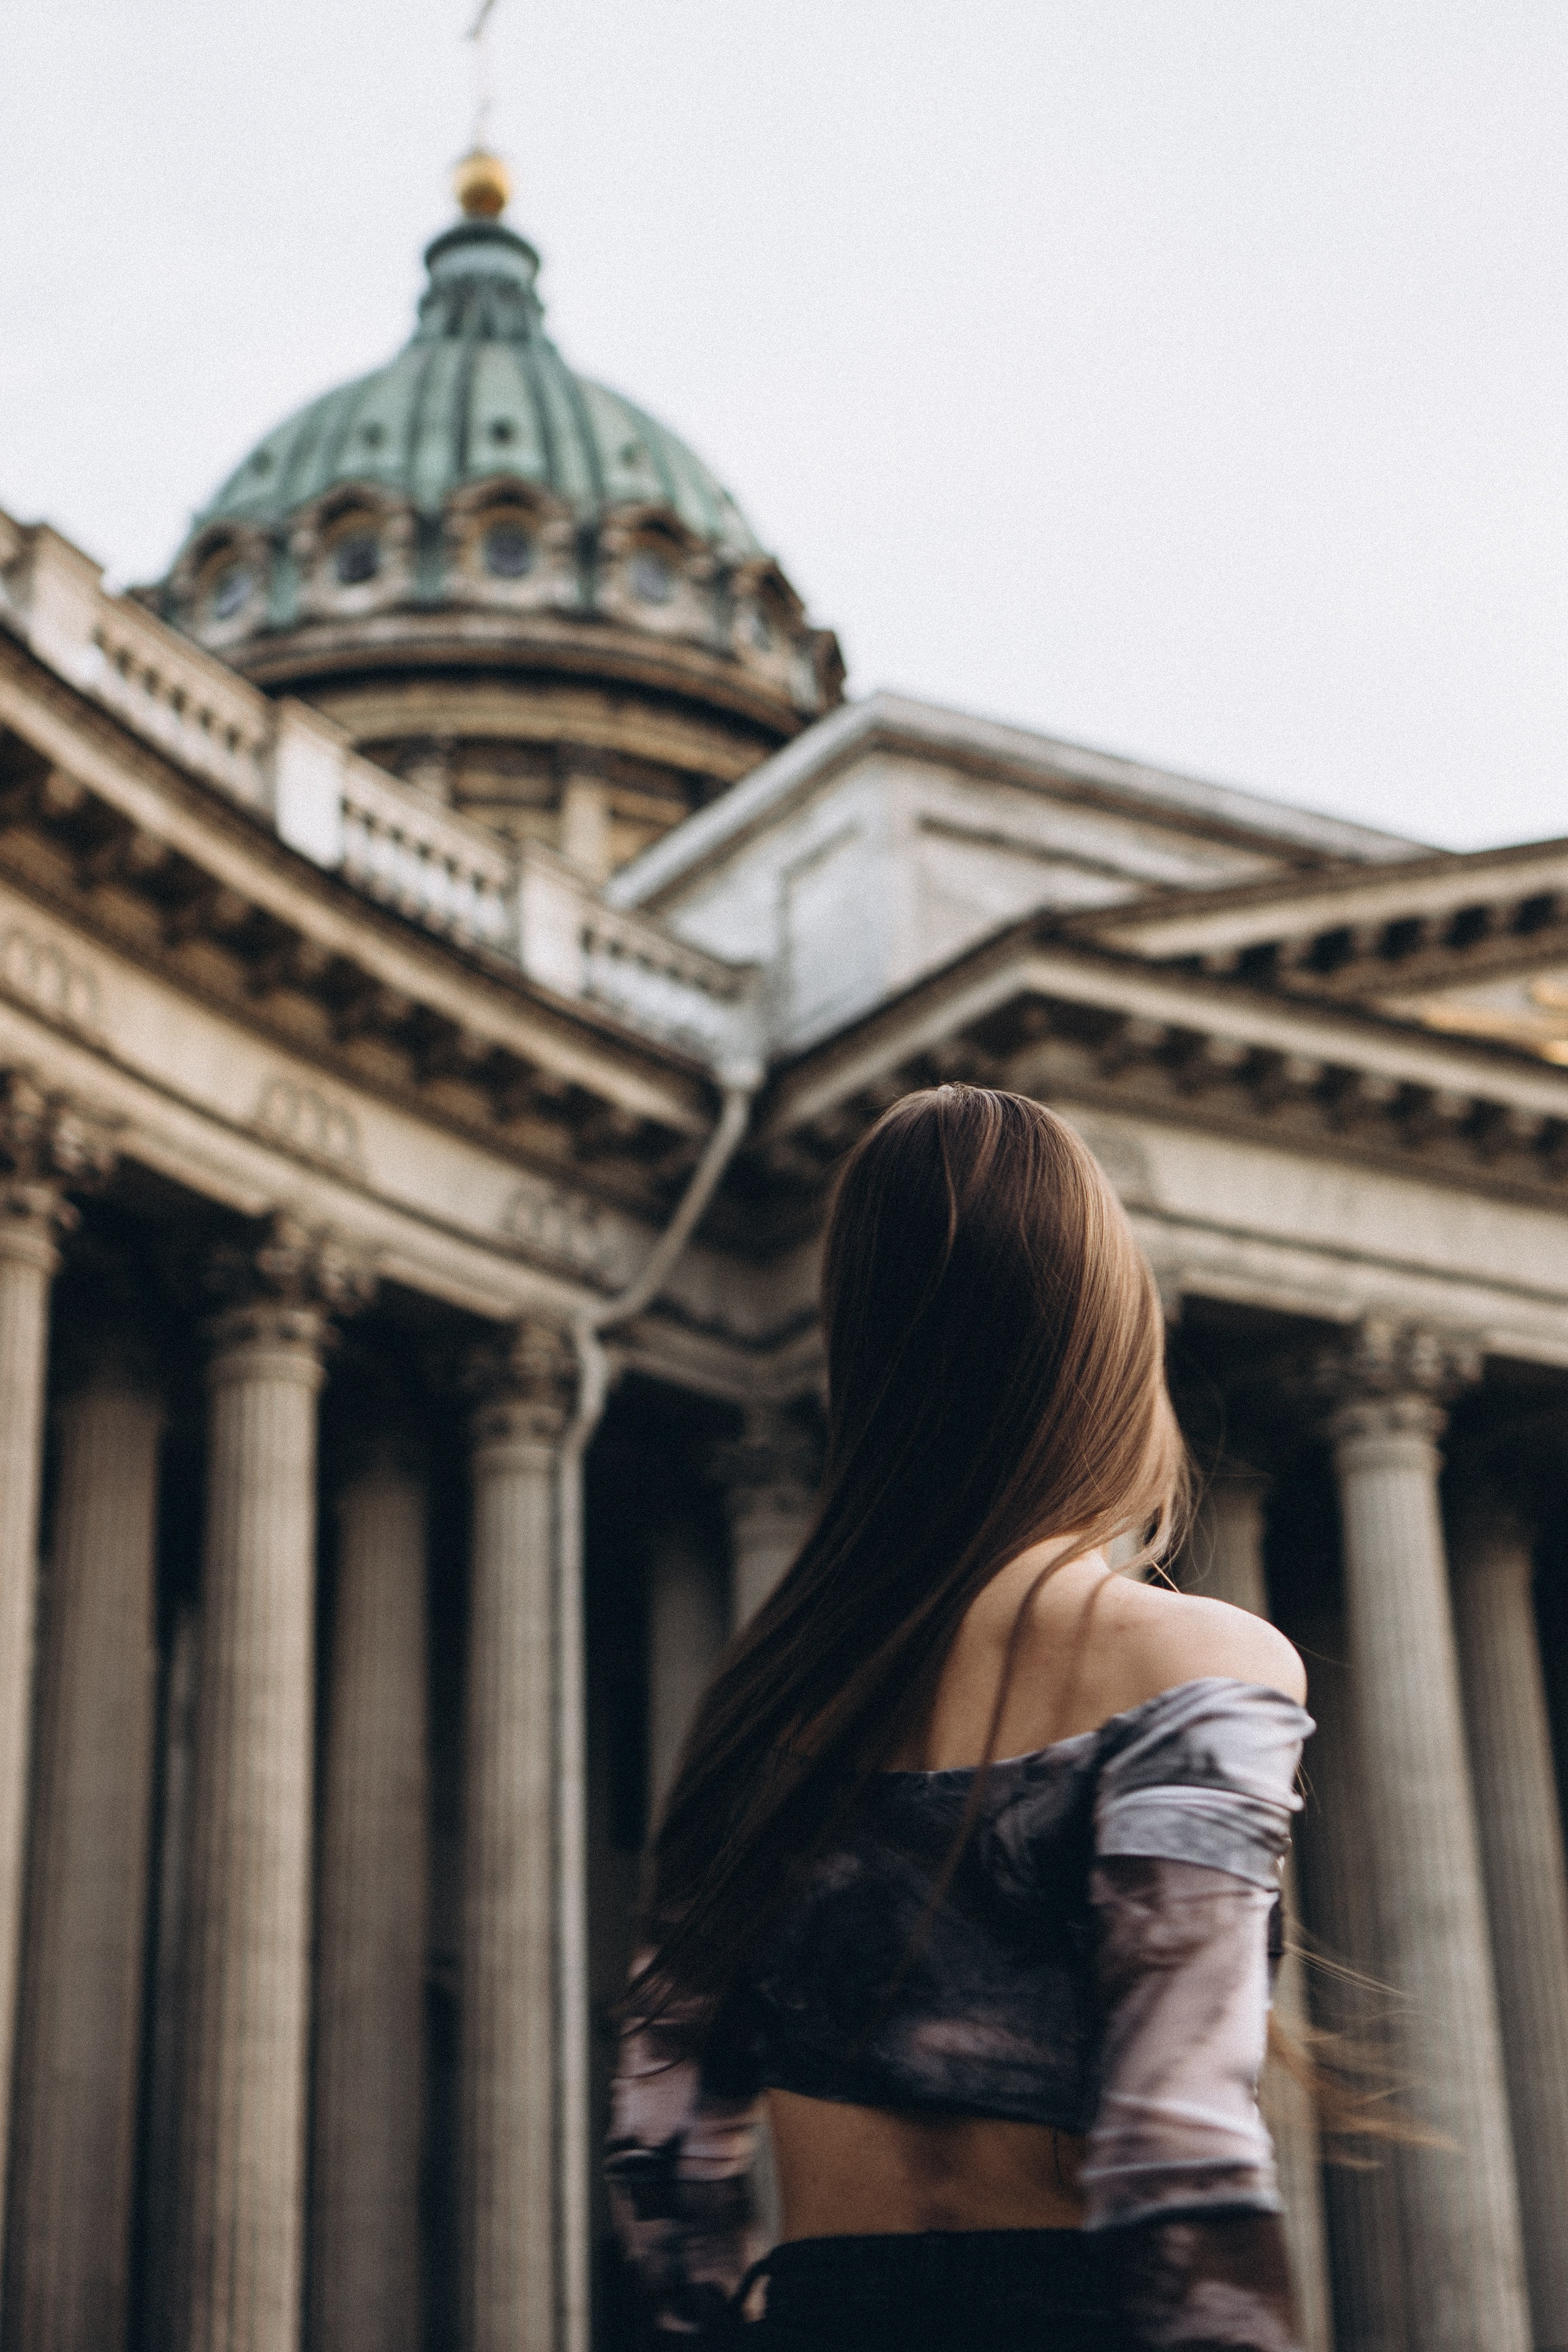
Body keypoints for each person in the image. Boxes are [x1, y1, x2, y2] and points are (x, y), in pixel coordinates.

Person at [607, 1086, 1312, 2350]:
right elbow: (1178, 2155)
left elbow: (661, 2172)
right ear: (1105, 1341)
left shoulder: (759, 1706)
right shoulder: (1197, 1662)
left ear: (859, 1357)